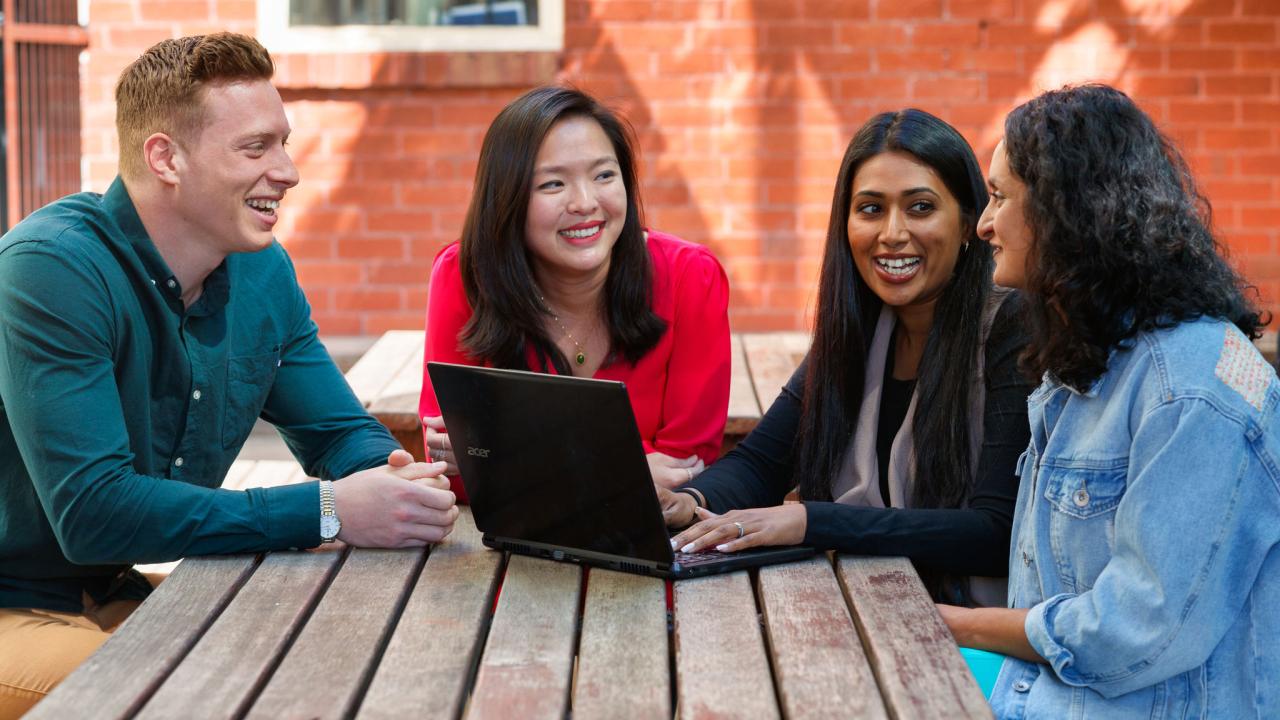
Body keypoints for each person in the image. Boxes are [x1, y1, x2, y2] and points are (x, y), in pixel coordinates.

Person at [0, 33, 458, 717]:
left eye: (284, 142)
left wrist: (393, 476)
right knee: (207, 698)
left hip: (118, 594)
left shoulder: (261, 271)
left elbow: (337, 433)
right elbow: (93, 515)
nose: (289, 170)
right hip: (12, 605)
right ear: (167, 158)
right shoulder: (50, 269)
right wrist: (329, 510)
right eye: (256, 148)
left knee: (337, 672)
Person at [938, 84, 1280, 717]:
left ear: (1064, 209)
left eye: (999, 196)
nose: (983, 224)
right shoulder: (1093, 355)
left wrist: (956, 624)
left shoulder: (1193, 387)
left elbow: (1137, 625)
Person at [664, 109, 1034, 606]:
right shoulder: (859, 328)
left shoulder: (1011, 325)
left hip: (979, 634)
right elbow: (761, 463)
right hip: (863, 609)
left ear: (970, 221)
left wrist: (814, 521)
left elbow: (996, 533)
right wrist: (689, 502)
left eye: (921, 207)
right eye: (871, 209)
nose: (893, 233)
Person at [418, 86, 731, 500]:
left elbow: (686, 465)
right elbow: (454, 467)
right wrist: (618, 469)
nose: (585, 202)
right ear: (506, 199)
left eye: (604, 175)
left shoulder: (691, 277)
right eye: (552, 184)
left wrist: (515, 454)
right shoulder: (464, 276)